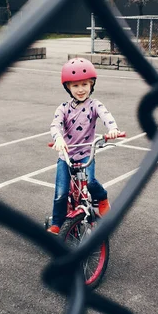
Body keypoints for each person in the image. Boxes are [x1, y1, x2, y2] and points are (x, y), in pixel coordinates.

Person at [47, 58, 121, 234]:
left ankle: (101, 198)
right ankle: (57, 223)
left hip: (86, 153)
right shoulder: (63, 108)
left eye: (84, 84)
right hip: (66, 156)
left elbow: (106, 116)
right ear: (68, 88)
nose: (80, 90)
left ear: (91, 84)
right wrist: (58, 138)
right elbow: (54, 125)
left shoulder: (95, 105)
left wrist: (113, 129)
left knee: (91, 182)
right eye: (75, 86)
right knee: (61, 192)